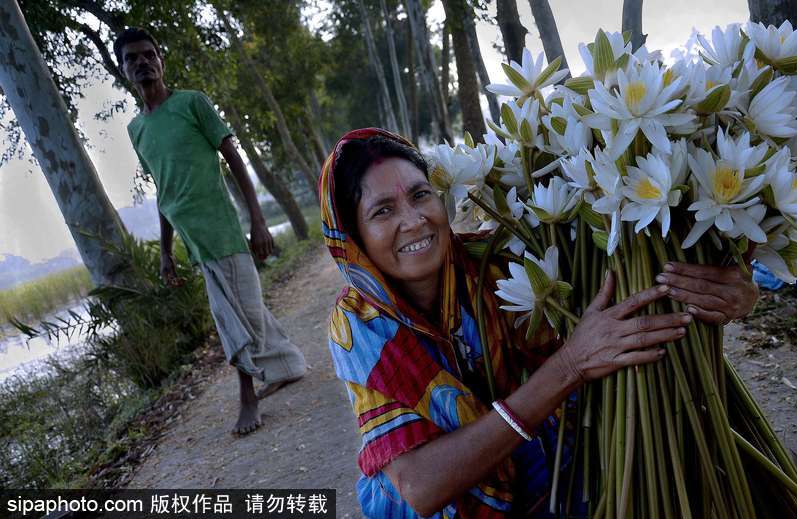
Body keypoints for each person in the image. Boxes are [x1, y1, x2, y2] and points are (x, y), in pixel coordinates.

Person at [321, 128, 760, 517]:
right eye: (382, 211)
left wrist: (734, 283)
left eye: (420, 195)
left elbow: (631, 291)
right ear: (352, 239)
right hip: (451, 509)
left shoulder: (502, 261)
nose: (414, 221)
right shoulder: (358, 324)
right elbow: (421, 486)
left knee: (766, 484)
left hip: (548, 467)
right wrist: (570, 366)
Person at [116, 27, 308, 436]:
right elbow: (163, 191)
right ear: (123, 70)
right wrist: (166, 253)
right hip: (192, 240)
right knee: (248, 310)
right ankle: (288, 365)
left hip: (221, 228)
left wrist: (257, 221)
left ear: (161, 61)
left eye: (148, 54)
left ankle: (247, 396)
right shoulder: (137, 130)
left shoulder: (192, 104)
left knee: (231, 315)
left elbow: (233, 158)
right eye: (132, 58)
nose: (142, 62)